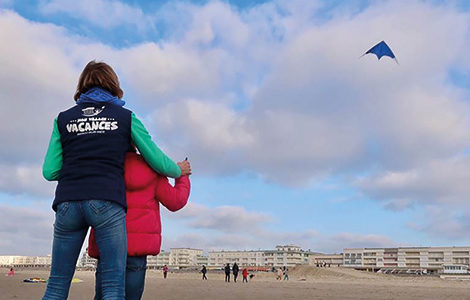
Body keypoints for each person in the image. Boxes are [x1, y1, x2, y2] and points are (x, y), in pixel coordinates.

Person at [42, 61, 190, 300]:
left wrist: (78, 167)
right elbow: (157, 160)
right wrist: (179, 170)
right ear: (113, 85)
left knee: (57, 284)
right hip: (106, 202)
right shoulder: (126, 117)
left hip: (67, 202)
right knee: (112, 286)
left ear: (82, 86)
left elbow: (49, 171)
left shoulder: (62, 119)